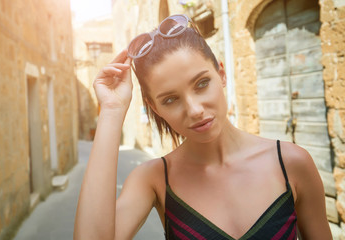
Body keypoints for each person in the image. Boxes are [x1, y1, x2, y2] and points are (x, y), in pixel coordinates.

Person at [74, 14, 332, 240]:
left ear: (221, 74)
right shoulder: (153, 179)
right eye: (170, 99)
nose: (195, 110)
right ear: (155, 107)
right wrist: (111, 111)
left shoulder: (291, 163)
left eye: (201, 84)